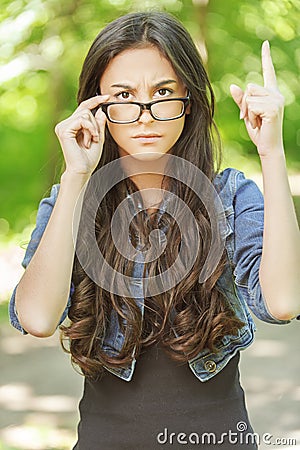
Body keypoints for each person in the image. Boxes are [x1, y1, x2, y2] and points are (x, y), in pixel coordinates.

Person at [9, 11, 299, 450]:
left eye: (163, 92)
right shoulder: (74, 200)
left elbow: (282, 302)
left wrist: (271, 152)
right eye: (124, 95)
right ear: (96, 106)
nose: (144, 115)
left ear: (190, 99)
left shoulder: (229, 197)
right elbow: (36, 318)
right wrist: (75, 177)